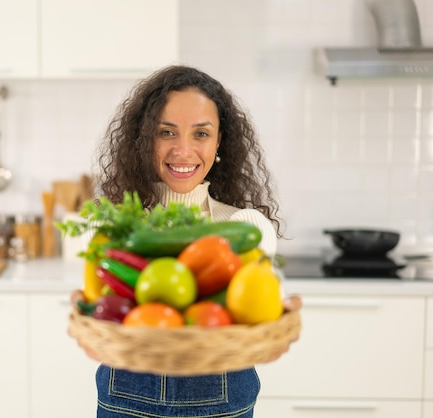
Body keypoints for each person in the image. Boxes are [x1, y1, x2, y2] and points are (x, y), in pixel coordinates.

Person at [92, 64, 301, 418]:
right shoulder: (120, 225)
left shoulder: (245, 225)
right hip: (127, 394)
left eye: (201, 134)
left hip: (220, 397)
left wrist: (276, 319)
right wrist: (89, 305)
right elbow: (104, 306)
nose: (183, 150)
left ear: (220, 142)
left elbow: (256, 306)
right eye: (166, 132)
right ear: (144, 141)